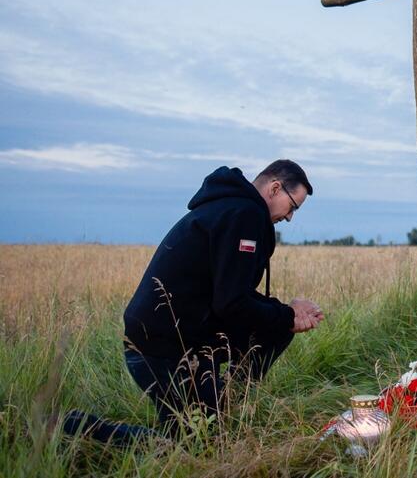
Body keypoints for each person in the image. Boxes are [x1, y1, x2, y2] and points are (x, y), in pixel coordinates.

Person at [64, 160, 323, 444]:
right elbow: (232, 303)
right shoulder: (245, 214)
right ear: (275, 188)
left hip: (184, 341)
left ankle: (223, 405)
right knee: (195, 445)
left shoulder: (229, 208)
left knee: (275, 328)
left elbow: (231, 295)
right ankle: (76, 429)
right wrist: (288, 315)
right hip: (163, 350)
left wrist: (285, 313)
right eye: (293, 206)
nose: (289, 218)